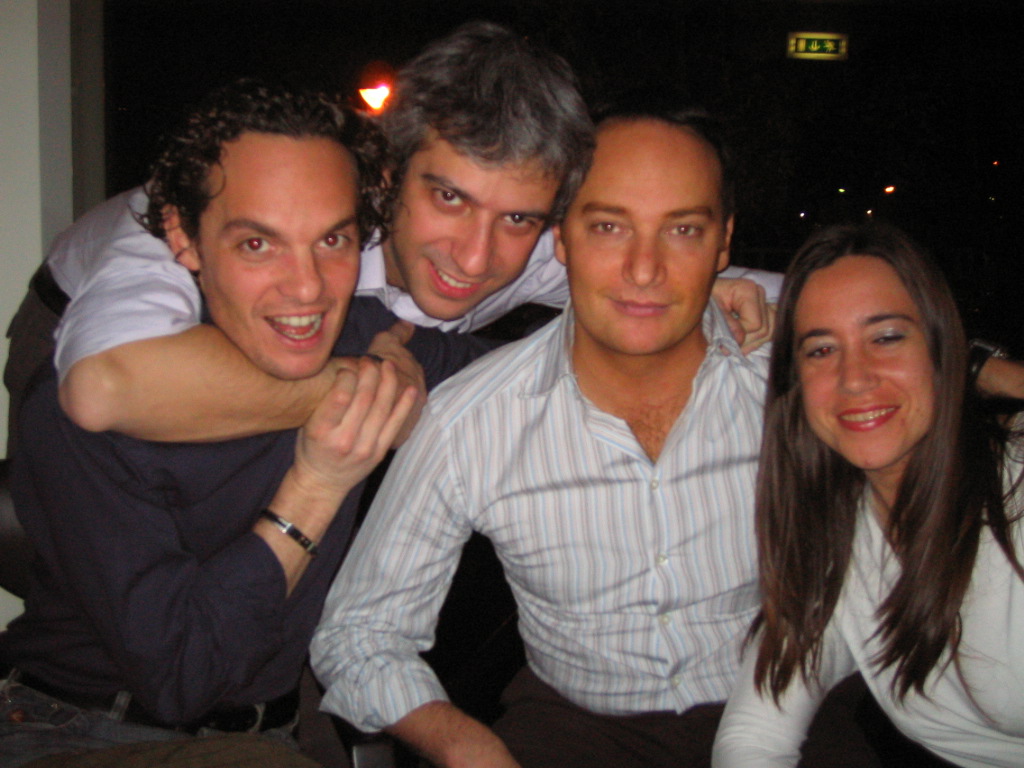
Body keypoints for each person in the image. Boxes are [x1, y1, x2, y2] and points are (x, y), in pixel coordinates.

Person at [3, 21, 779, 451]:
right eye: (448, 197)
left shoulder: (531, 248)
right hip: (88, 332)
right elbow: (105, 387)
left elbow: (779, 292)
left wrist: (716, 289)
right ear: (385, 172)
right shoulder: (215, 214)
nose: (476, 257)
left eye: (518, 218)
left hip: (326, 354)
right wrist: (382, 390)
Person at [0, 78, 484, 766]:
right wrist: (317, 486)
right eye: (258, 244)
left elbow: (520, 377)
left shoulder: (367, 338)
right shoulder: (79, 415)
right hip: (76, 730)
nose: (308, 288)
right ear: (183, 238)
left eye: (333, 240)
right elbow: (184, 680)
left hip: (279, 731)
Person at [311, 104, 783, 768]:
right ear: (561, 239)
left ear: (723, 243)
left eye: (682, 230)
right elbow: (359, 635)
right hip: (578, 729)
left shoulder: (796, 383)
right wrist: (468, 746)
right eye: (609, 226)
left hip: (789, 709)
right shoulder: (472, 421)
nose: (644, 269)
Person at [712, 223, 1024, 768]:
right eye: (821, 349)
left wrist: (984, 369)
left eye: (886, 338)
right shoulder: (834, 539)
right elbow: (755, 736)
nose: (854, 378)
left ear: (941, 348)